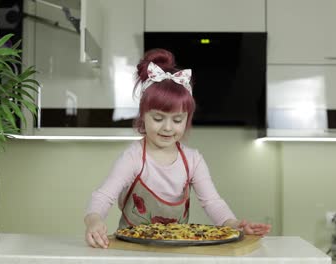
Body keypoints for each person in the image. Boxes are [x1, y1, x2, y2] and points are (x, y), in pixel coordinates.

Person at [84, 48, 271, 248]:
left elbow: (212, 202)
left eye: (177, 120)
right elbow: (104, 196)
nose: (167, 127)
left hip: (178, 250)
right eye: (158, 118)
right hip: (133, 250)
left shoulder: (193, 160)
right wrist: (94, 221)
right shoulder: (133, 157)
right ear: (143, 116)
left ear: (187, 120)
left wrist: (235, 225)